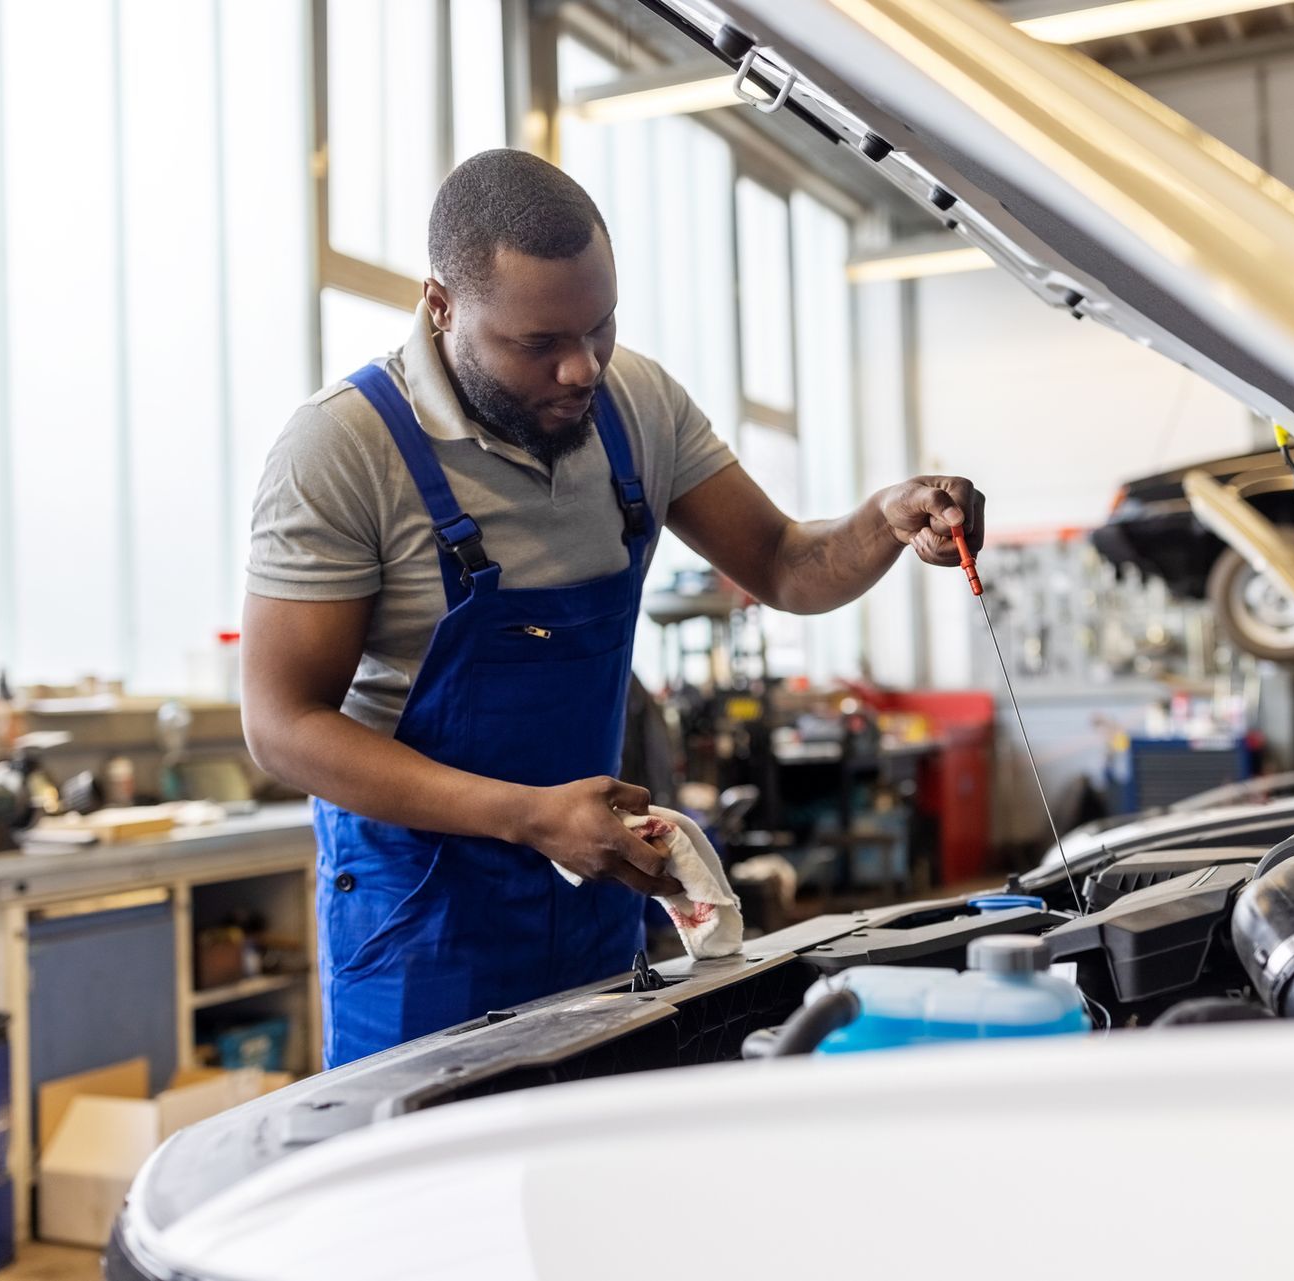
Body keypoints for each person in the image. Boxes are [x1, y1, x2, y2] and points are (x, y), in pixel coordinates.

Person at [241, 149, 985, 1067]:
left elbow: (787, 565)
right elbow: (282, 726)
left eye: (600, 327)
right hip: (420, 920)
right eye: (538, 343)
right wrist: (527, 814)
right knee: (434, 1193)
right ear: (442, 306)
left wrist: (886, 518)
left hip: (591, 886)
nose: (580, 369)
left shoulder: (638, 405)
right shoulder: (342, 449)